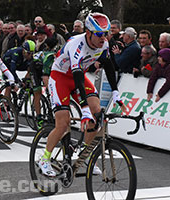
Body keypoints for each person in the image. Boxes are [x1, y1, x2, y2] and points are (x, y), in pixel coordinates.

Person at [37, 12, 126, 177]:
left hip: (79, 77)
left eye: (105, 33)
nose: (103, 38)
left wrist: (115, 91)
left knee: (96, 112)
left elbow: (108, 65)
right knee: (63, 123)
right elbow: (77, 77)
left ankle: (85, 154)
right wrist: (83, 107)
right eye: (99, 34)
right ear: (88, 32)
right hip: (60, 77)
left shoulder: (104, 44)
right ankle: (45, 158)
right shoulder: (76, 45)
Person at [29, 37, 58, 129]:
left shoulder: (56, 55)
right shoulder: (49, 57)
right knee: (38, 92)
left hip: (46, 69)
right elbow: (45, 76)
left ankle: (50, 110)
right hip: (36, 70)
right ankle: (39, 117)